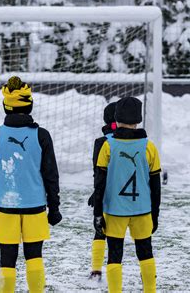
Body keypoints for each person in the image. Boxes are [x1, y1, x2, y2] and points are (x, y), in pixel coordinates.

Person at [0, 76, 62, 293]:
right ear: (30, 105)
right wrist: (54, 207)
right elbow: (51, 176)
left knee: (6, 259)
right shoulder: (42, 136)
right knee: (34, 256)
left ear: (5, 107)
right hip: (35, 206)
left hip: (6, 207)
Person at [93, 97, 161, 293]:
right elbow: (156, 187)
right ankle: (150, 290)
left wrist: (98, 213)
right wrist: (154, 214)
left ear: (116, 118)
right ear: (138, 120)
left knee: (115, 255)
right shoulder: (149, 147)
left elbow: (99, 184)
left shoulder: (108, 146)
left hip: (115, 211)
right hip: (142, 210)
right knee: (146, 253)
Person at [88, 102, 117, 281]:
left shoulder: (101, 142)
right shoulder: (133, 140)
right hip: (128, 196)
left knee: (100, 231)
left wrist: (96, 191)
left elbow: (97, 172)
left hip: (105, 193)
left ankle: (96, 270)